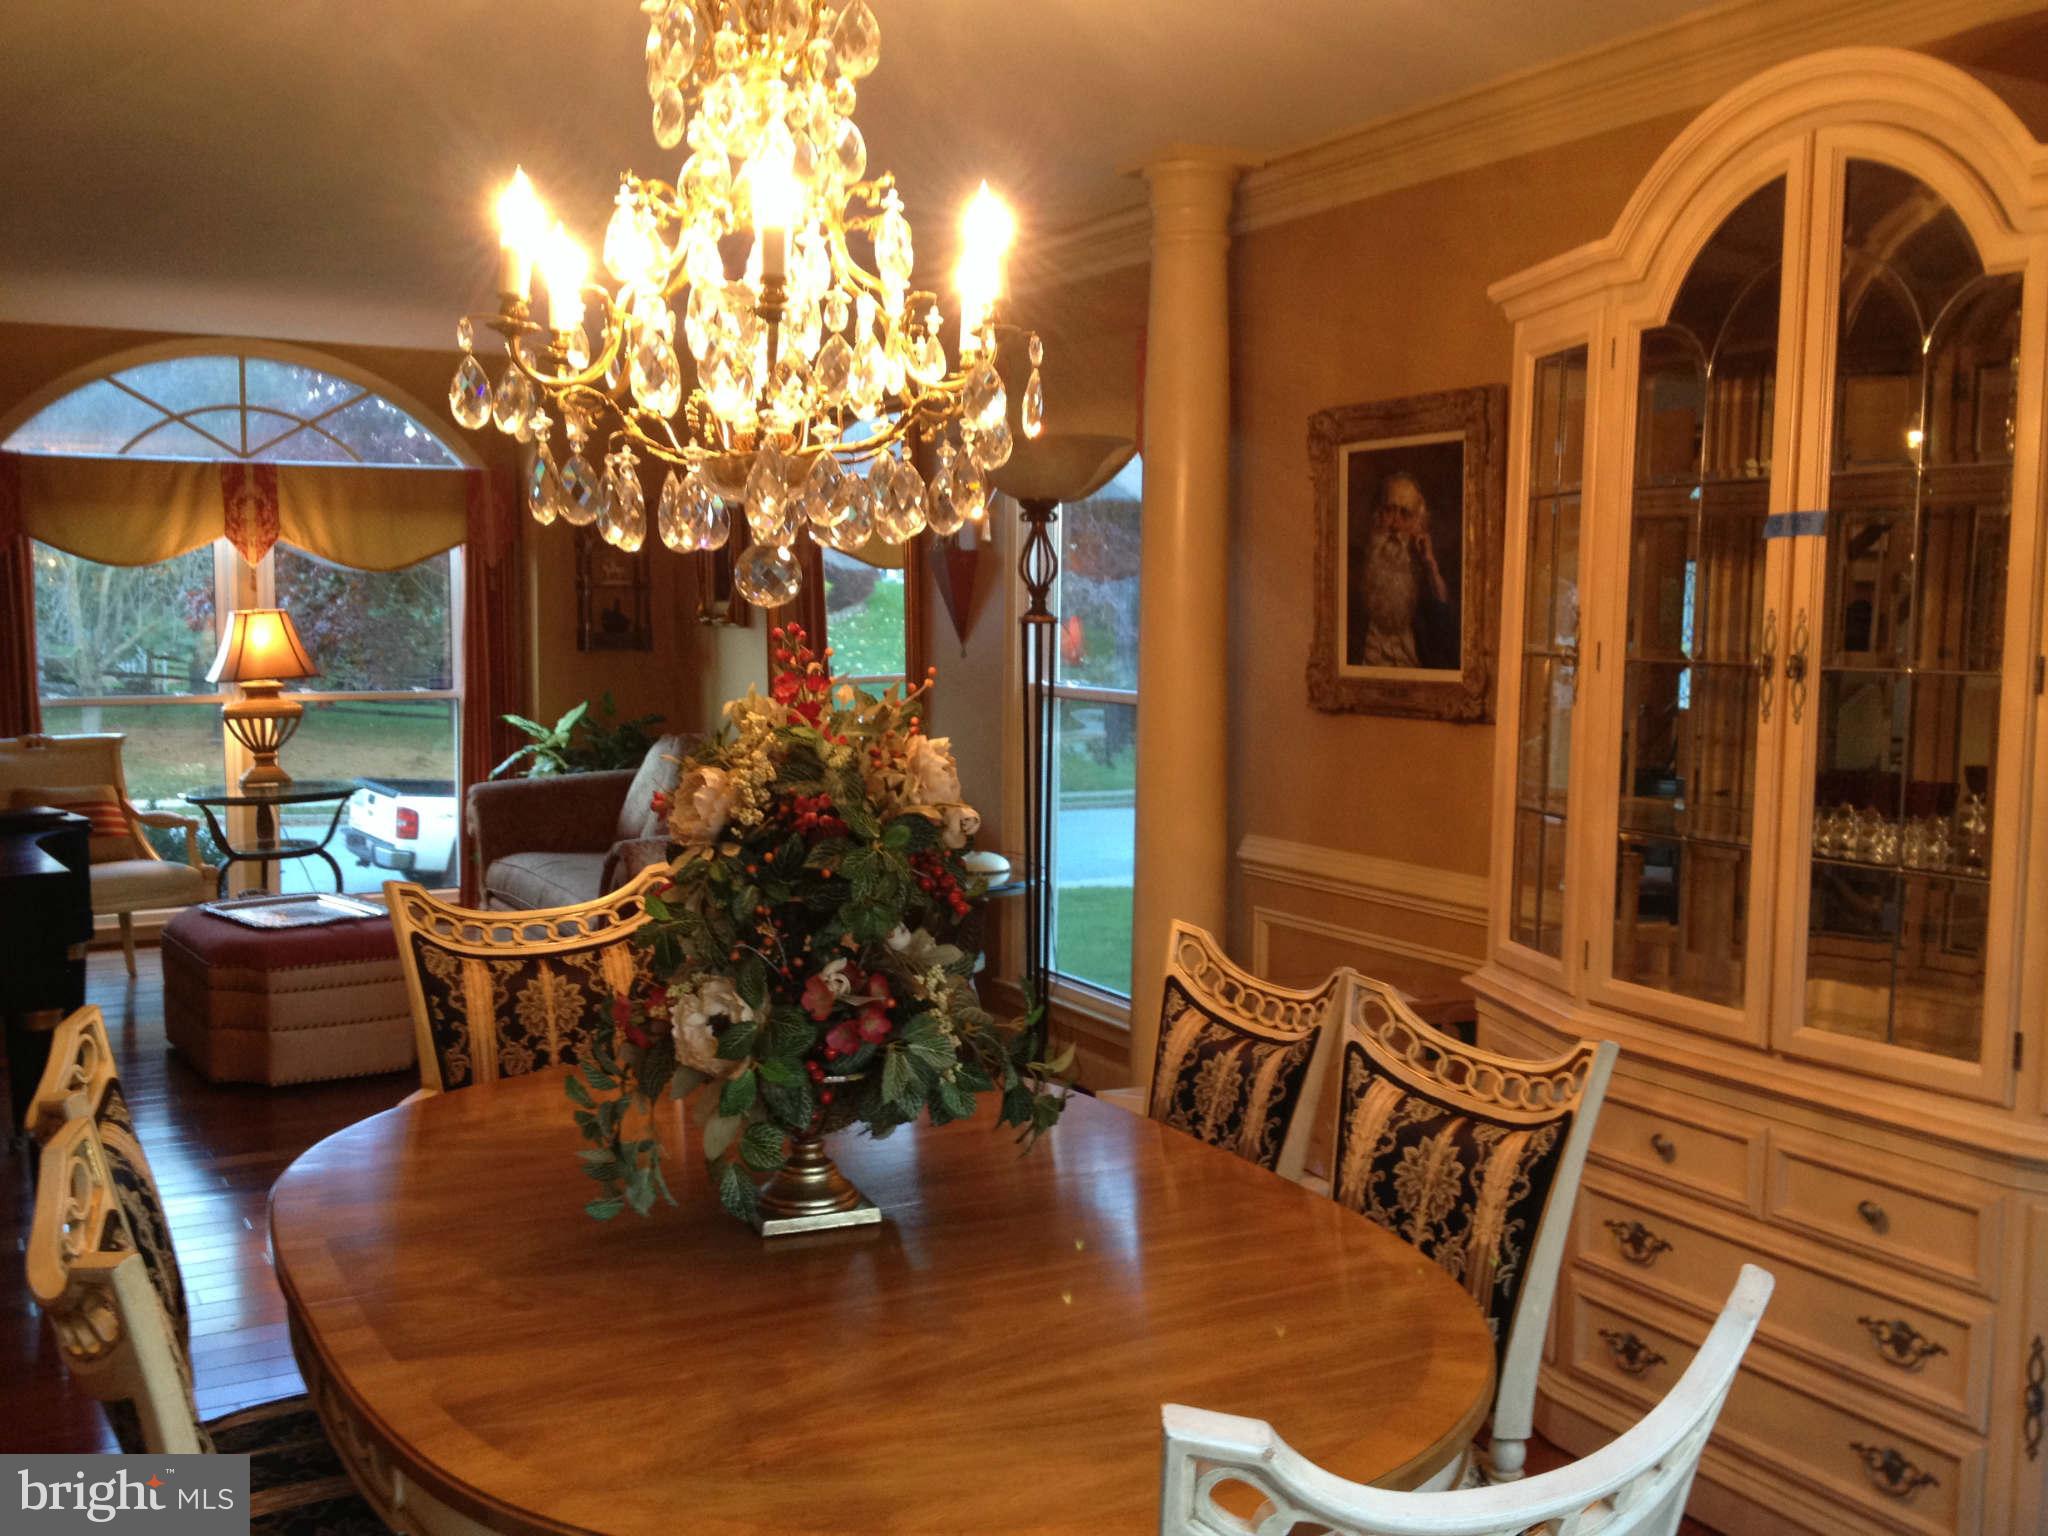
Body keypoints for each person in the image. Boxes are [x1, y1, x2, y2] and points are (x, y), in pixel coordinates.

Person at [1347, 470, 1457, 669]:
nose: (1395, 524)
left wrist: (1431, 566)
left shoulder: (1426, 574)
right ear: (1377, 516)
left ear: (1418, 524)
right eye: (1389, 510)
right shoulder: (1353, 572)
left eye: (1405, 514)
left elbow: (1447, 637)